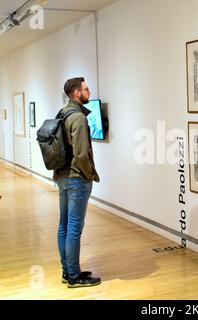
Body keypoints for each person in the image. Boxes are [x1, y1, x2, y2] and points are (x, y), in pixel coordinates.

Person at [53, 77, 101, 288]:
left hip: (62, 176)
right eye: (85, 89)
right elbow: (81, 154)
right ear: (76, 94)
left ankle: (68, 271)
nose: (89, 91)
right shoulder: (79, 118)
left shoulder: (62, 113)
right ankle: (74, 276)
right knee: (73, 228)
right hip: (76, 179)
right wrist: (90, 175)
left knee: (64, 225)